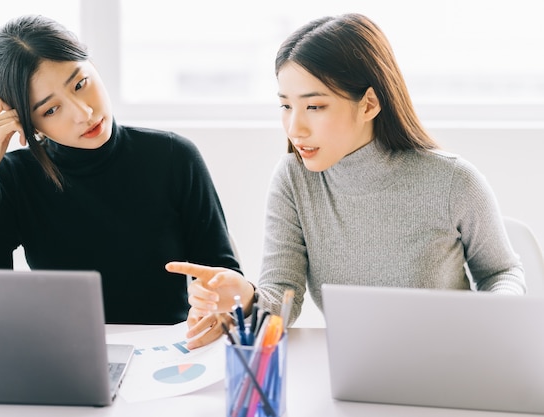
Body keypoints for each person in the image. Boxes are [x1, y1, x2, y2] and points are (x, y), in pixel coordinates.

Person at [166, 13, 526, 348]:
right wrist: (246, 296)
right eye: (286, 106)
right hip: (356, 367)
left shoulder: (453, 180)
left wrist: (489, 325)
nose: (295, 128)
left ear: (369, 104)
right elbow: (282, 297)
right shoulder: (293, 180)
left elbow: (501, 271)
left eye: (314, 107)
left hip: (451, 361)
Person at [0, 14, 241, 325]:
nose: (83, 112)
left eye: (80, 83)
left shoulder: (173, 156)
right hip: (65, 358)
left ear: (94, 66)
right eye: (51, 109)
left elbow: (224, 278)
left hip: (167, 356)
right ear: (28, 123)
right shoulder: (16, 178)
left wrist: (215, 309)